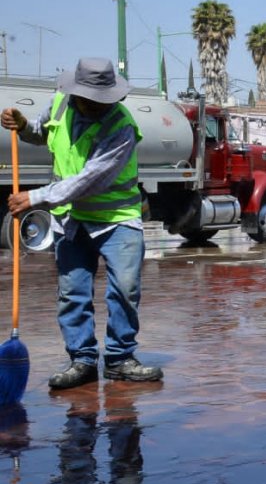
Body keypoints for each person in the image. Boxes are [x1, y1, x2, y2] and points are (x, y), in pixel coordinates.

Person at [2, 58, 163, 390]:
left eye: (104, 100)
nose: (98, 106)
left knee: (124, 290)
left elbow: (90, 179)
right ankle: (82, 361)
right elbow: (42, 133)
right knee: (72, 293)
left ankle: (119, 359)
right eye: (91, 99)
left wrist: (35, 198)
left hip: (117, 218)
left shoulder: (121, 126)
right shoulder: (60, 105)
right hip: (71, 219)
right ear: (75, 92)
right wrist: (23, 125)